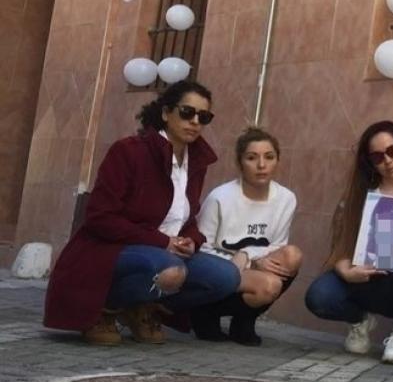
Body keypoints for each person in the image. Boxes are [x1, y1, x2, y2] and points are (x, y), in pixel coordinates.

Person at [44, 80, 240, 344]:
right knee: (171, 270)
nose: (195, 121)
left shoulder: (196, 161)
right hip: (112, 249)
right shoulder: (129, 151)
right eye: (187, 112)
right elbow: (100, 217)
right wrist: (163, 242)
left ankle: (141, 307)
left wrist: (191, 240)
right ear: (165, 113)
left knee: (226, 277)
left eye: (203, 116)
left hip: (165, 252)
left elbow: (186, 216)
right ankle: (105, 308)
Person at [304, 121, 393, 361]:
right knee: (319, 297)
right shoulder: (362, 194)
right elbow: (340, 247)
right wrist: (346, 271)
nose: (388, 161)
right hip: (367, 277)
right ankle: (359, 320)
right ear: (370, 162)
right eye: (378, 157)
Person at [191, 127, 302, 345]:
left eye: (269, 157)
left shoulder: (286, 198)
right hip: (219, 267)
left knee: (292, 256)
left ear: (277, 161)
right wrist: (238, 262)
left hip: (252, 263)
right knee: (267, 284)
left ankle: (244, 321)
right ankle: (204, 313)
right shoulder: (220, 198)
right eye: (252, 158)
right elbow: (201, 247)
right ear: (240, 162)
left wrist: (249, 256)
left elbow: (278, 244)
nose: (262, 165)